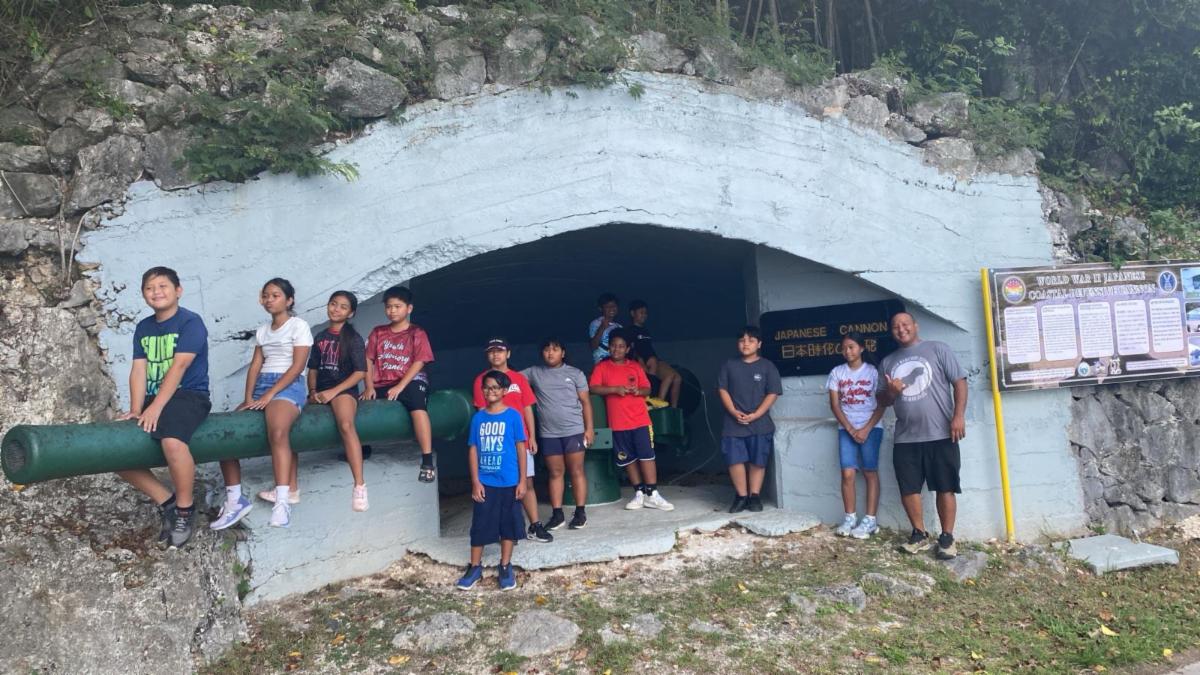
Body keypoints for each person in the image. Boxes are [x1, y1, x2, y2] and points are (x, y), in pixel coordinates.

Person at [116, 267, 246, 547]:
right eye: (150, 288)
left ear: (178, 291)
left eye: (163, 286)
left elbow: (180, 366)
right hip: (154, 400)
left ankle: (185, 511)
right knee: (117, 453)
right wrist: (137, 408)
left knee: (173, 443)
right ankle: (168, 503)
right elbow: (139, 370)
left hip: (188, 396)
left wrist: (156, 409)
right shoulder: (144, 327)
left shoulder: (190, 322)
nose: (156, 292)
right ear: (143, 295)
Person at [876, 312, 968, 560]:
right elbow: (882, 400)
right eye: (895, 326)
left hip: (941, 433)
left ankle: (947, 538)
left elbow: (959, 382)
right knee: (908, 488)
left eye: (905, 324)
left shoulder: (938, 349)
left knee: (946, 487)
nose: (901, 329)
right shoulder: (887, 362)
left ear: (915, 326)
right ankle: (919, 534)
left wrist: (958, 416)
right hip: (906, 437)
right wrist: (892, 392)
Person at [240, 278, 313, 528]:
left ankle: (282, 501)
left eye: (276, 295)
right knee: (229, 427)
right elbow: (255, 366)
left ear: (289, 300)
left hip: (288, 384)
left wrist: (270, 395)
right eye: (266, 296)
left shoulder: (298, 326)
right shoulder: (262, 331)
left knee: (279, 430)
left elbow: (297, 367)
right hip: (263, 383)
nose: (270, 300)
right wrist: (249, 398)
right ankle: (233, 498)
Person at [471, 338, 552, 543]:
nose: (496, 355)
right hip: (496, 441)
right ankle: (505, 530)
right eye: (491, 352)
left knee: (526, 483)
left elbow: (527, 408)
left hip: (520, 440)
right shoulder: (482, 380)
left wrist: (532, 436)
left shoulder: (519, 378)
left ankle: (535, 525)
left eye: (500, 351)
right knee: (497, 488)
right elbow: (482, 413)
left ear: (508, 354)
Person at [457, 370, 527, 591]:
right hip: (485, 482)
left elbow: (521, 448)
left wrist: (523, 480)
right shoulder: (478, 418)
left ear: (505, 391)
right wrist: (475, 481)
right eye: (487, 387)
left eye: (496, 387)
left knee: (508, 525)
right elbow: (473, 450)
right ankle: (475, 567)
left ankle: (505, 566)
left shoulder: (513, 415)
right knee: (479, 525)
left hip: (509, 481)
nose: (490, 391)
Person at [589, 330, 674, 511]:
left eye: (621, 346)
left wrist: (638, 391)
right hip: (618, 422)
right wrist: (614, 389)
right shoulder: (602, 368)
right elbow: (594, 388)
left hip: (640, 420)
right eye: (613, 346)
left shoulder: (635, 366)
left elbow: (648, 389)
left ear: (627, 349)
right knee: (628, 459)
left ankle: (652, 493)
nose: (616, 349)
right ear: (609, 347)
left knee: (647, 456)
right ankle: (639, 492)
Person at [363, 286, 436, 482]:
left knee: (417, 406)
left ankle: (427, 461)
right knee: (361, 405)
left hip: (411, 380)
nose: (392, 311)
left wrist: (401, 386)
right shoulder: (378, 332)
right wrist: (369, 386)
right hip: (382, 382)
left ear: (409, 308)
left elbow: (420, 361)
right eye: (389, 307)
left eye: (397, 306)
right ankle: (363, 447)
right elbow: (368, 360)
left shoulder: (416, 332)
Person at [522, 337, 595, 531]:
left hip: (574, 430)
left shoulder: (575, 373)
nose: (550, 353)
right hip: (549, 433)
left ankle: (580, 513)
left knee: (576, 470)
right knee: (555, 473)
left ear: (563, 353)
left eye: (555, 349)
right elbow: (510, 378)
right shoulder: (535, 373)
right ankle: (557, 514)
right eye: (546, 349)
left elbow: (586, 402)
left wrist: (589, 429)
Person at [307, 291, 369, 512]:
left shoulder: (353, 338)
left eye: (343, 307)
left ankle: (359, 485)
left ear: (350, 313)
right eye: (333, 304)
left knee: (345, 424)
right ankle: (288, 488)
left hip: (343, 390)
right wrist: (312, 391)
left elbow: (360, 372)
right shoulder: (320, 337)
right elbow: (312, 368)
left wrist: (333, 392)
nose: (336, 309)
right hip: (321, 391)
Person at [716, 326, 782, 513]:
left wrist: (756, 414)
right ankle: (741, 496)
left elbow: (772, 393)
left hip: (760, 423)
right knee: (734, 460)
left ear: (759, 344)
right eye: (742, 340)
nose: (746, 344)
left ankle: (754, 496)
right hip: (733, 423)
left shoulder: (767, 366)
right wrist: (733, 411)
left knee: (757, 461)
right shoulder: (729, 365)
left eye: (751, 340)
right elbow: (722, 389)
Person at [826, 332, 885, 539]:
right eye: (844, 348)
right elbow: (834, 405)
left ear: (861, 348)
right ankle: (850, 517)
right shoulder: (837, 372)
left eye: (851, 347)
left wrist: (867, 428)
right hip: (846, 428)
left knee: (870, 471)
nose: (847, 351)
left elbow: (881, 403)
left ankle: (870, 519)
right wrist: (851, 429)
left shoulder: (873, 372)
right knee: (847, 473)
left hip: (872, 427)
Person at [627, 299, 682, 408]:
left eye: (645, 313)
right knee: (656, 373)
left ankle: (673, 408)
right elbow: (632, 349)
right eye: (641, 312)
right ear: (633, 313)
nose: (644, 315)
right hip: (641, 361)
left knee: (677, 378)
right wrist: (640, 361)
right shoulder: (629, 330)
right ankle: (656, 402)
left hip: (654, 360)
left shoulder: (646, 330)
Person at [588, 292, 622, 364]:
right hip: (602, 362)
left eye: (614, 306)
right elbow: (593, 346)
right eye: (608, 306)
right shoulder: (596, 323)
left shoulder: (619, 327)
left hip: (617, 362)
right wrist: (602, 327)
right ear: (601, 308)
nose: (612, 308)